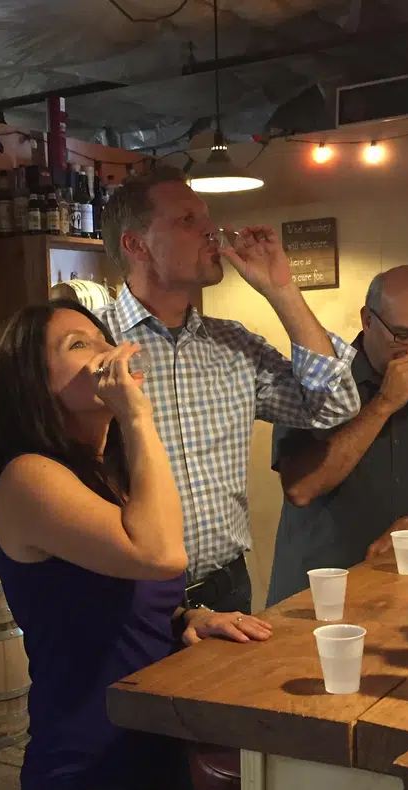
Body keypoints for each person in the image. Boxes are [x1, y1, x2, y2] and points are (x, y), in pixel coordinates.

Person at [0, 300, 272, 790]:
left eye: (103, 339)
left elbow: (127, 587)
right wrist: (138, 414)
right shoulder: (28, 478)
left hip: (152, 758)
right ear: (31, 381)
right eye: (79, 346)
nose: (109, 355)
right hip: (92, 777)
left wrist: (190, 617)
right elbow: (161, 552)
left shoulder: (106, 475)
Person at [99, 167, 360, 614]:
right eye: (187, 221)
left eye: (207, 218)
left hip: (226, 592)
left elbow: (334, 404)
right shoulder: (92, 343)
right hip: (125, 596)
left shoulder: (233, 344)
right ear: (135, 244)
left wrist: (280, 289)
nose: (211, 231)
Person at [266, 265, 408, 606]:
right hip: (320, 589)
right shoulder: (318, 379)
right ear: (367, 320)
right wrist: (384, 404)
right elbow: (301, 489)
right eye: (403, 335)